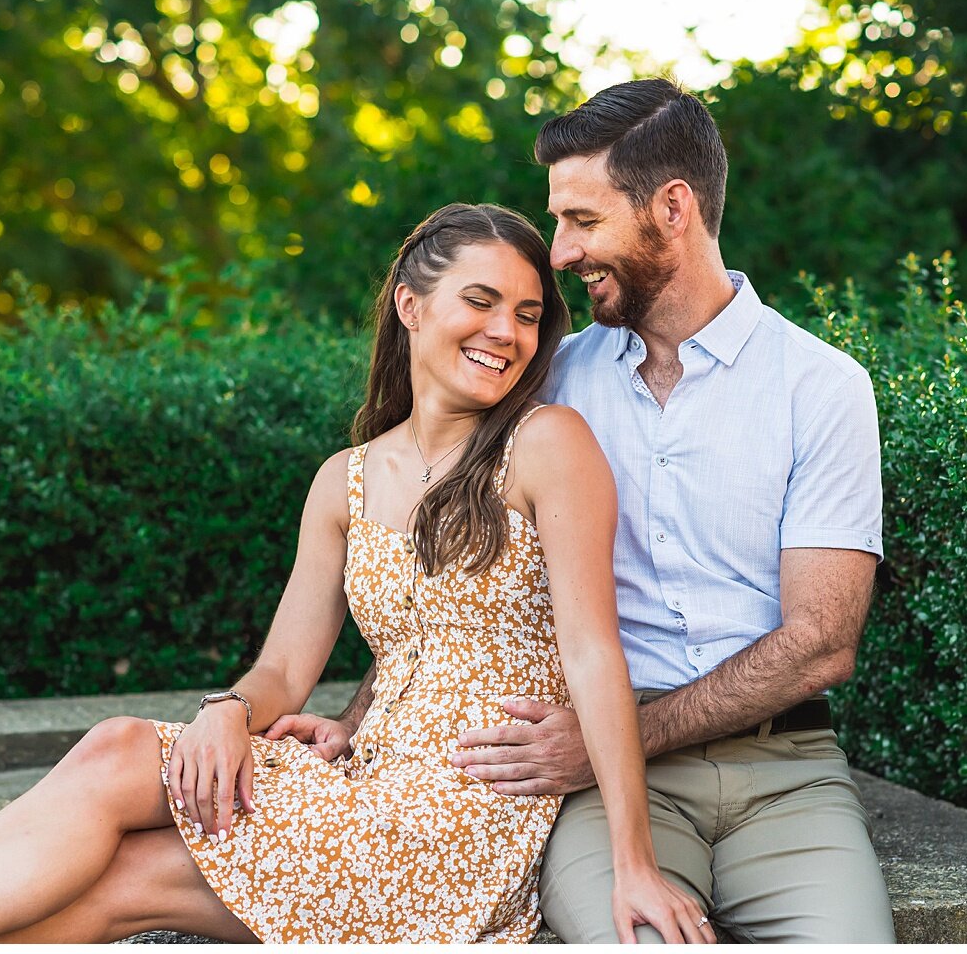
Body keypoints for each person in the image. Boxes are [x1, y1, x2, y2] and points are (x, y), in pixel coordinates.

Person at [0, 203, 711, 944]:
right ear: (411, 304)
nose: (510, 332)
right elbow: (283, 671)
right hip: (362, 780)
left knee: (121, 769)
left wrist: (632, 863)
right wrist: (227, 710)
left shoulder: (548, 443)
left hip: (461, 822)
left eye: (532, 314)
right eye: (482, 301)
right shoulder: (347, 479)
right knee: (121, 869)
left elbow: (592, 654)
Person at [284, 80, 899, 943]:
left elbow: (822, 642)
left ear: (672, 208)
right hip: (598, 780)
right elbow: (447, 588)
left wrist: (622, 734)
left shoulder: (821, 388)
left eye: (582, 219)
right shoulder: (547, 382)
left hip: (786, 773)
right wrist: (359, 723)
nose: (562, 252)